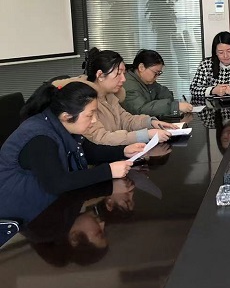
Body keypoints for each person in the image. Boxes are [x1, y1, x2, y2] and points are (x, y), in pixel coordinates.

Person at [0, 81, 149, 225]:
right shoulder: (40, 138)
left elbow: (90, 152)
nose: (94, 120)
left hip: (50, 207)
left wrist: (123, 151)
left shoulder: (61, 125)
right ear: (67, 116)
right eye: (90, 115)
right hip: (24, 217)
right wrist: (108, 171)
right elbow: (56, 183)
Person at [54, 48, 177, 146]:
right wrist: (146, 135)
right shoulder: (84, 102)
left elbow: (126, 120)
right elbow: (102, 137)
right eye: (118, 74)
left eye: (123, 73)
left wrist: (151, 122)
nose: (123, 79)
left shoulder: (110, 96)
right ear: (100, 75)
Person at [121, 49, 193, 116]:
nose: (157, 77)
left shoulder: (146, 80)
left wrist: (174, 104)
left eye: (159, 74)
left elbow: (163, 92)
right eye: (155, 73)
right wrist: (174, 106)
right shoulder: (128, 84)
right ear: (141, 67)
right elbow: (141, 110)